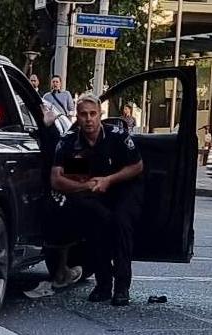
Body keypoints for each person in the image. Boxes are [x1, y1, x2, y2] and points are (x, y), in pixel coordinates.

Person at [49, 93, 144, 306]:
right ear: (77, 116)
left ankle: (121, 286)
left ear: (100, 115)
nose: (88, 119)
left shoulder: (117, 136)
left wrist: (109, 180)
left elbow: (137, 166)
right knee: (95, 224)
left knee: (121, 222)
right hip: (91, 191)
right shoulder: (69, 142)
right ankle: (102, 284)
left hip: (123, 188)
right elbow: (57, 179)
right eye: (83, 115)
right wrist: (87, 186)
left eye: (93, 114)